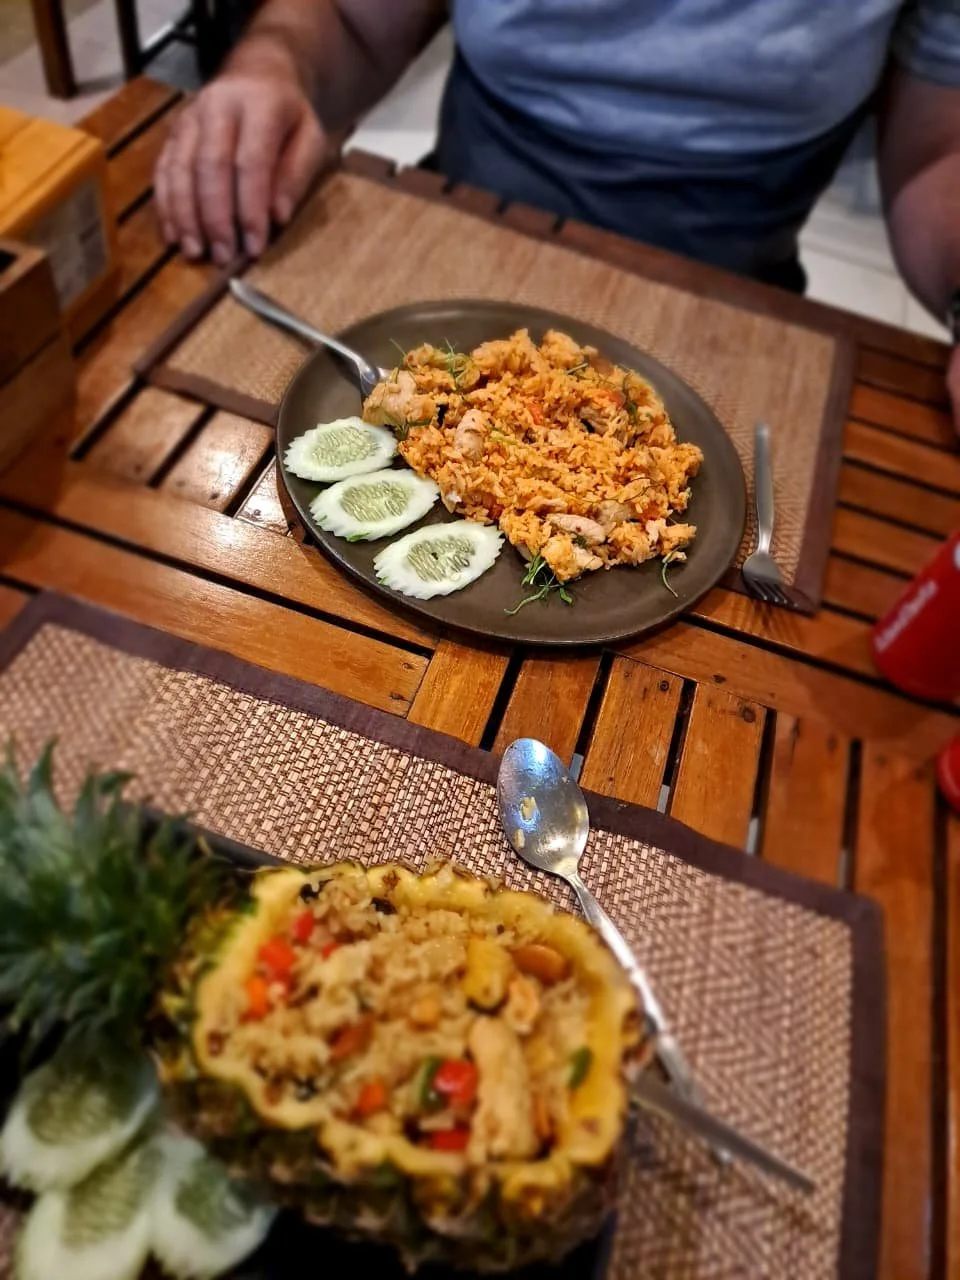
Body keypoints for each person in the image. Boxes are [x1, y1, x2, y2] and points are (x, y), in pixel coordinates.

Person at [155, 1, 960, 419]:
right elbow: (352, 22)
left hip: (731, 292)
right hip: (457, 241)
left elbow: (937, 151)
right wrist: (276, 61)